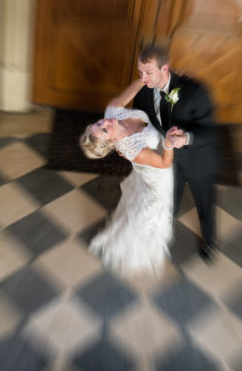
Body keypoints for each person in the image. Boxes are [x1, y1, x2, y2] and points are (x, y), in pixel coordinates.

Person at [80, 79, 182, 275]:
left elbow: (130, 91)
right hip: (157, 173)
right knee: (152, 211)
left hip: (152, 159)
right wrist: (169, 144)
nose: (105, 122)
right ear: (110, 143)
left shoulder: (111, 111)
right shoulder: (133, 150)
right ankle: (132, 249)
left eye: (99, 123)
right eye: (104, 130)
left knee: (139, 204)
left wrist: (145, 79)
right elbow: (163, 163)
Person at [132, 44, 219, 262]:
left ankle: (210, 242)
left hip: (199, 160)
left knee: (205, 205)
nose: (143, 78)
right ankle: (160, 238)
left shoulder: (194, 90)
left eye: (148, 72)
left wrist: (186, 138)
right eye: (140, 72)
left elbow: (209, 131)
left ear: (165, 68)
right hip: (168, 161)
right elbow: (139, 121)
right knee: (167, 202)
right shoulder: (143, 93)